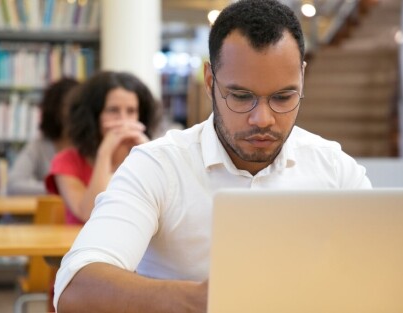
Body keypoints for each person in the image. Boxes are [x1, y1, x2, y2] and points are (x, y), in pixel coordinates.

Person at [54, 1, 372, 312]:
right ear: (210, 82)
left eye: (283, 97)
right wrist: (199, 300)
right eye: (241, 96)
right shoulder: (158, 166)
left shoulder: (335, 170)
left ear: (302, 79)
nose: (262, 118)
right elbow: (75, 287)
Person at [45, 71, 160, 224]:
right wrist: (105, 152)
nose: (123, 120)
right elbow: (88, 213)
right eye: (113, 110)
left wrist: (148, 152)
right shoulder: (66, 161)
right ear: (93, 115)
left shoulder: (143, 154)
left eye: (131, 111)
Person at [6, 77, 79, 195]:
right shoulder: (39, 146)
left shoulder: (89, 146)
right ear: (55, 109)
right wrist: (60, 189)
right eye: (69, 106)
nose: (75, 112)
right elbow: (14, 184)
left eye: (79, 105)